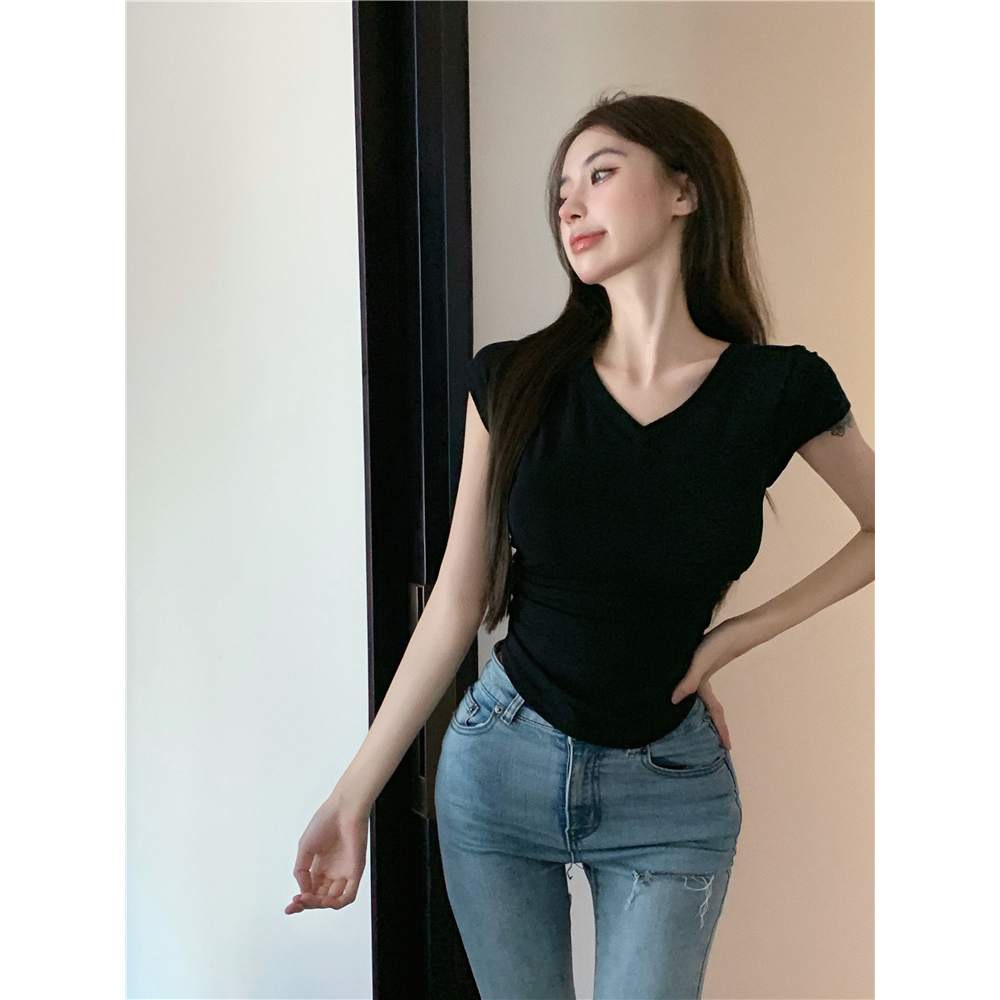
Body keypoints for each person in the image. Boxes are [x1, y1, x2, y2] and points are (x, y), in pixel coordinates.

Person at [285, 92, 875, 1000]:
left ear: (684, 191)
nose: (570, 204)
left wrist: (726, 640)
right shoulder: (514, 378)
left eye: (600, 175)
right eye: (561, 189)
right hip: (500, 765)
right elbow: (455, 602)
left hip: (670, 791)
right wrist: (350, 796)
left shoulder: (778, 389)